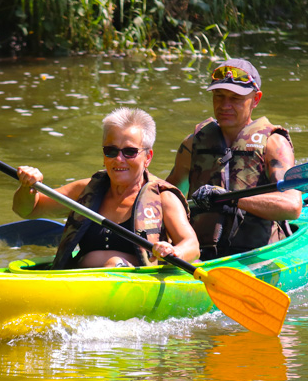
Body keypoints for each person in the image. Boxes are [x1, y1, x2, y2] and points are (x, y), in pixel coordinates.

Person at [13, 107, 199, 269]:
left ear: (148, 157)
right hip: (82, 281)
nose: (119, 159)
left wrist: (175, 251)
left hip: (133, 287)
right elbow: (27, 210)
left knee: (114, 262)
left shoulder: (163, 197)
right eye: (111, 151)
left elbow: (192, 245)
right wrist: (28, 186)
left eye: (129, 152)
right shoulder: (85, 190)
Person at [165, 58, 302, 260]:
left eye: (235, 98)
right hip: (202, 256)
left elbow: (291, 207)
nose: (224, 105)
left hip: (257, 253)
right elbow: (168, 198)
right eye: (219, 96)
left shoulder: (274, 144)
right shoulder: (193, 144)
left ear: (256, 99)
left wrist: (232, 198)